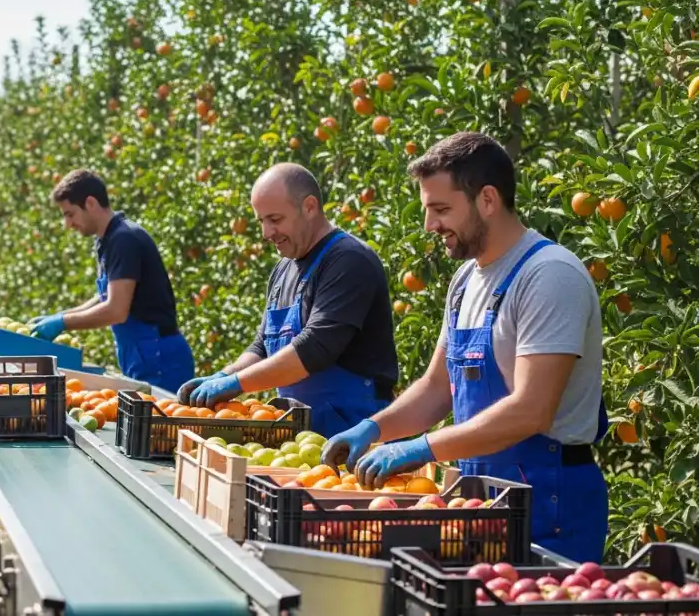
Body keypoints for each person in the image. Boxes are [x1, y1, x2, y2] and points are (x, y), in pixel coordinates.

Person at [322, 131, 609, 563]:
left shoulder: (549, 276)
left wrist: (423, 447)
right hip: (478, 498)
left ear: (487, 200)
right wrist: (375, 429)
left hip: (550, 503)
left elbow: (533, 409)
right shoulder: (466, 281)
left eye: (441, 209)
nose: (430, 225)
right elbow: (438, 387)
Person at [177, 164, 398, 438]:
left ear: (309, 207)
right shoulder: (283, 269)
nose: (266, 233)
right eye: (261, 221)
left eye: (275, 219)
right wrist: (225, 374)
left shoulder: (348, 261)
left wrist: (238, 383)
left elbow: (315, 347)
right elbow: (262, 346)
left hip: (354, 431)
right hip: (301, 435)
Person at [30, 169, 196, 391]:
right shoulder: (107, 240)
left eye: (70, 214)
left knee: (159, 424)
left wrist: (63, 323)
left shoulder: (124, 239)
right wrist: (62, 315)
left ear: (90, 203)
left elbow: (116, 310)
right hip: (144, 356)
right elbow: (105, 296)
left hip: (161, 360)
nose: (67, 224)